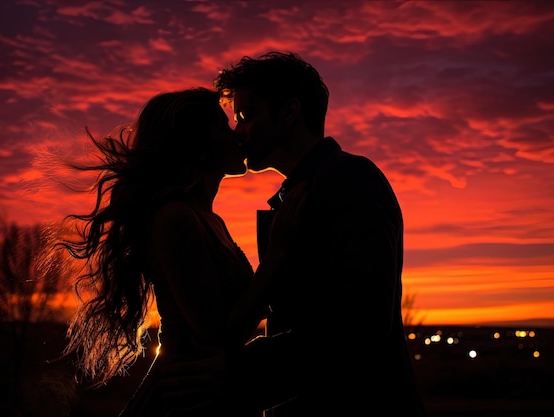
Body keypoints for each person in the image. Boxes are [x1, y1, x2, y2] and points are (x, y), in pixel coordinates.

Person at [160, 52, 428, 416]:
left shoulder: (350, 180)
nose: (239, 132)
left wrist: (241, 372)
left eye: (247, 115)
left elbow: (360, 325)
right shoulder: (300, 193)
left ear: (288, 112)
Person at [57, 87, 273, 416]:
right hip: (183, 398)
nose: (237, 135)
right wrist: (278, 264)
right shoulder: (176, 217)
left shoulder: (208, 218)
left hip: (208, 390)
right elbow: (213, 331)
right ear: (197, 142)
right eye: (222, 126)